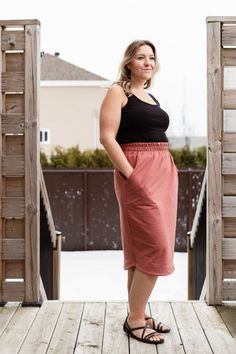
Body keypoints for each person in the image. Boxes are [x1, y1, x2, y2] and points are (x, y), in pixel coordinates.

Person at [99, 40, 178, 345]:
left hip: (162, 175)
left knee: (140, 251)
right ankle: (134, 321)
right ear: (129, 61)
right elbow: (107, 138)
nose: (148, 62)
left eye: (152, 58)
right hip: (138, 172)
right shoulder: (119, 91)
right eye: (141, 57)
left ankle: (139, 313)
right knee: (156, 247)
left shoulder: (151, 96)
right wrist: (132, 176)